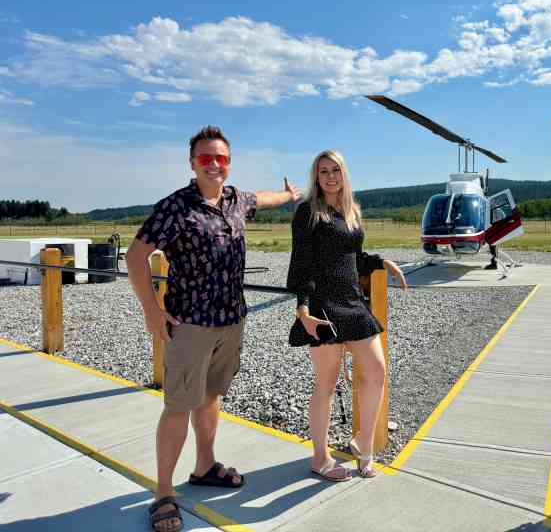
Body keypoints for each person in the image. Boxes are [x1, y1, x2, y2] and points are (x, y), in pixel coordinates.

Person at [126, 126, 301, 532]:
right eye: (206, 158)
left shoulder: (236, 201)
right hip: (191, 324)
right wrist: (152, 312)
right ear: (192, 163)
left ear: (229, 163)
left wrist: (291, 195)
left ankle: (204, 466)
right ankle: (164, 493)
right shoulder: (175, 207)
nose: (214, 164)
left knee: (210, 397)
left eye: (221, 158)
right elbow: (136, 257)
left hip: (231, 320)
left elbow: (264, 198)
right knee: (178, 405)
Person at [287, 149, 407, 482]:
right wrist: (303, 309)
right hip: (323, 306)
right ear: (316, 176)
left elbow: (352, 257)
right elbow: (301, 264)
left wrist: (382, 262)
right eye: (323, 171)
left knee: (377, 371)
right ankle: (320, 458)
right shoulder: (307, 213)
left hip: (353, 303)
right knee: (325, 385)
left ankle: (363, 444)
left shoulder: (351, 210)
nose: (329, 176)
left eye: (335, 170)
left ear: (344, 174)